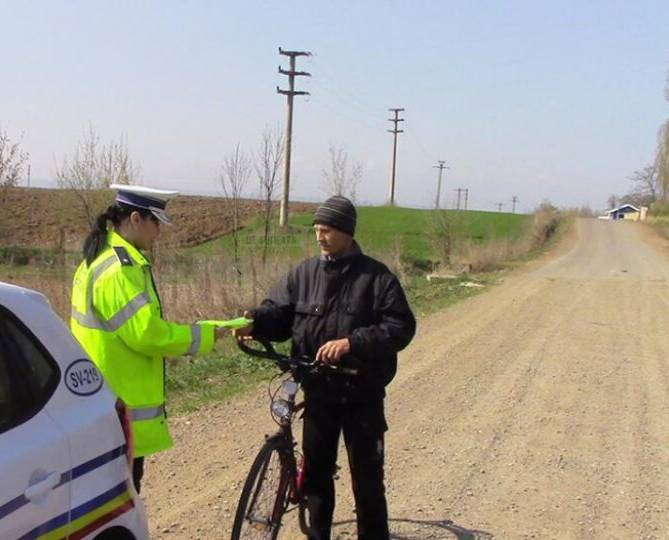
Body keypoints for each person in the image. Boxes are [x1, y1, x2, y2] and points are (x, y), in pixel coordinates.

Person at [235, 195, 416, 540]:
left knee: (367, 480)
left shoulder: (377, 278)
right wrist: (254, 323)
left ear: (347, 232)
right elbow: (279, 314)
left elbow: (400, 327)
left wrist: (353, 342)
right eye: (317, 229)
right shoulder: (303, 274)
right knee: (316, 478)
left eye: (327, 230)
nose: (320, 236)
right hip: (318, 392)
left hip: (361, 395)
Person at [70, 184, 224, 494]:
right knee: (120, 506)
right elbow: (147, 335)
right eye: (156, 223)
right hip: (117, 410)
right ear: (136, 219)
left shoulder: (100, 258)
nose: (159, 232)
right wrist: (207, 333)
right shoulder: (119, 270)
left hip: (98, 402)